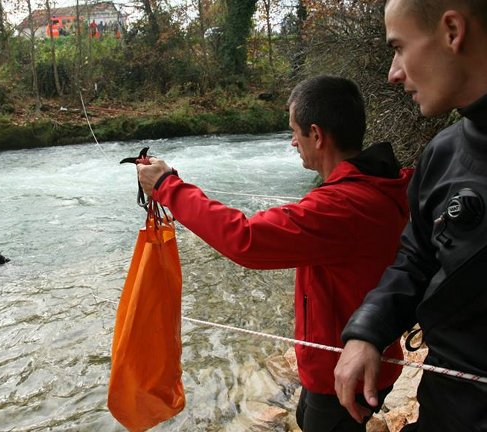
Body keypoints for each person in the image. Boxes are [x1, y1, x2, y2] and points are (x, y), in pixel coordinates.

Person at [137, 75, 413, 431]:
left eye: (294, 131)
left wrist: (166, 187)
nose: (291, 141)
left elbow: (245, 239)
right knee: (303, 416)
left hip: (346, 376)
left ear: (317, 135)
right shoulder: (382, 184)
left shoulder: (340, 207)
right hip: (372, 360)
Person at [334, 1, 487, 431]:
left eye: (399, 48)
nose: (394, 73)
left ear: (452, 30)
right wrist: (368, 331)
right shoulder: (442, 152)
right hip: (444, 406)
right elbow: (416, 258)